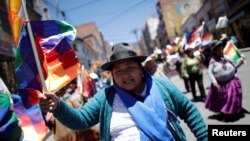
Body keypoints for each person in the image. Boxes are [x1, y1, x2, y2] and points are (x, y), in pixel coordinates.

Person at [39, 42, 208, 141]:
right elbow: (80, 120)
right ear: (112, 75)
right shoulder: (106, 97)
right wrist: (58, 106)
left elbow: (190, 111)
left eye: (130, 67)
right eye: (118, 70)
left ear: (141, 70)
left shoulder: (162, 86)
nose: (125, 74)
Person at [205, 40, 245, 120]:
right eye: (219, 50)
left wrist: (240, 61)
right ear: (215, 51)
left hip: (231, 82)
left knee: (232, 98)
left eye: (221, 49)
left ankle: (233, 112)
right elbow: (210, 72)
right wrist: (214, 82)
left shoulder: (226, 58)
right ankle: (226, 113)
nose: (221, 51)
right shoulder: (213, 61)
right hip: (220, 84)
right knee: (224, 100)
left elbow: (234, 66)